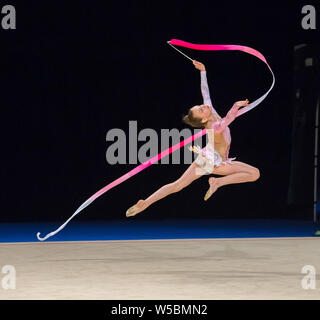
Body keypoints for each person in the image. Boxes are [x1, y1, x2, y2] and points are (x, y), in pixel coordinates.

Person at [126, 60, 260, 217]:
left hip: (209, 159)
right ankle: (217, 182)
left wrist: (203, 71)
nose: (204, 106)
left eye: (201, 106)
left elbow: (205, 92)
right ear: (203, 120)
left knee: (178, 184)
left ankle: (146, 203)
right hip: (214, 164)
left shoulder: (212, 114)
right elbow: (229, 119)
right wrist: (236, 106)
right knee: (254, 174)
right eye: (201, 109)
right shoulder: (214, 127)